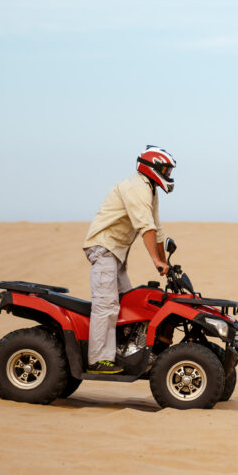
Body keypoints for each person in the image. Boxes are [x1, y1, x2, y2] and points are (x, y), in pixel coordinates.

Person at [81, 146, 177, 374]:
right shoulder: (136, 187)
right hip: (104, 248)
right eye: (165, 169)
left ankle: (125, 352)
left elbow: (157, 230)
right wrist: (156, 260)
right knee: (107, 305)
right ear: (151, 168)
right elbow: (145, 226)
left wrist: (165, 263)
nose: (168, 175)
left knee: (130, 304)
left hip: (116, 253)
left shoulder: (149, 190)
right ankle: (98, 360)